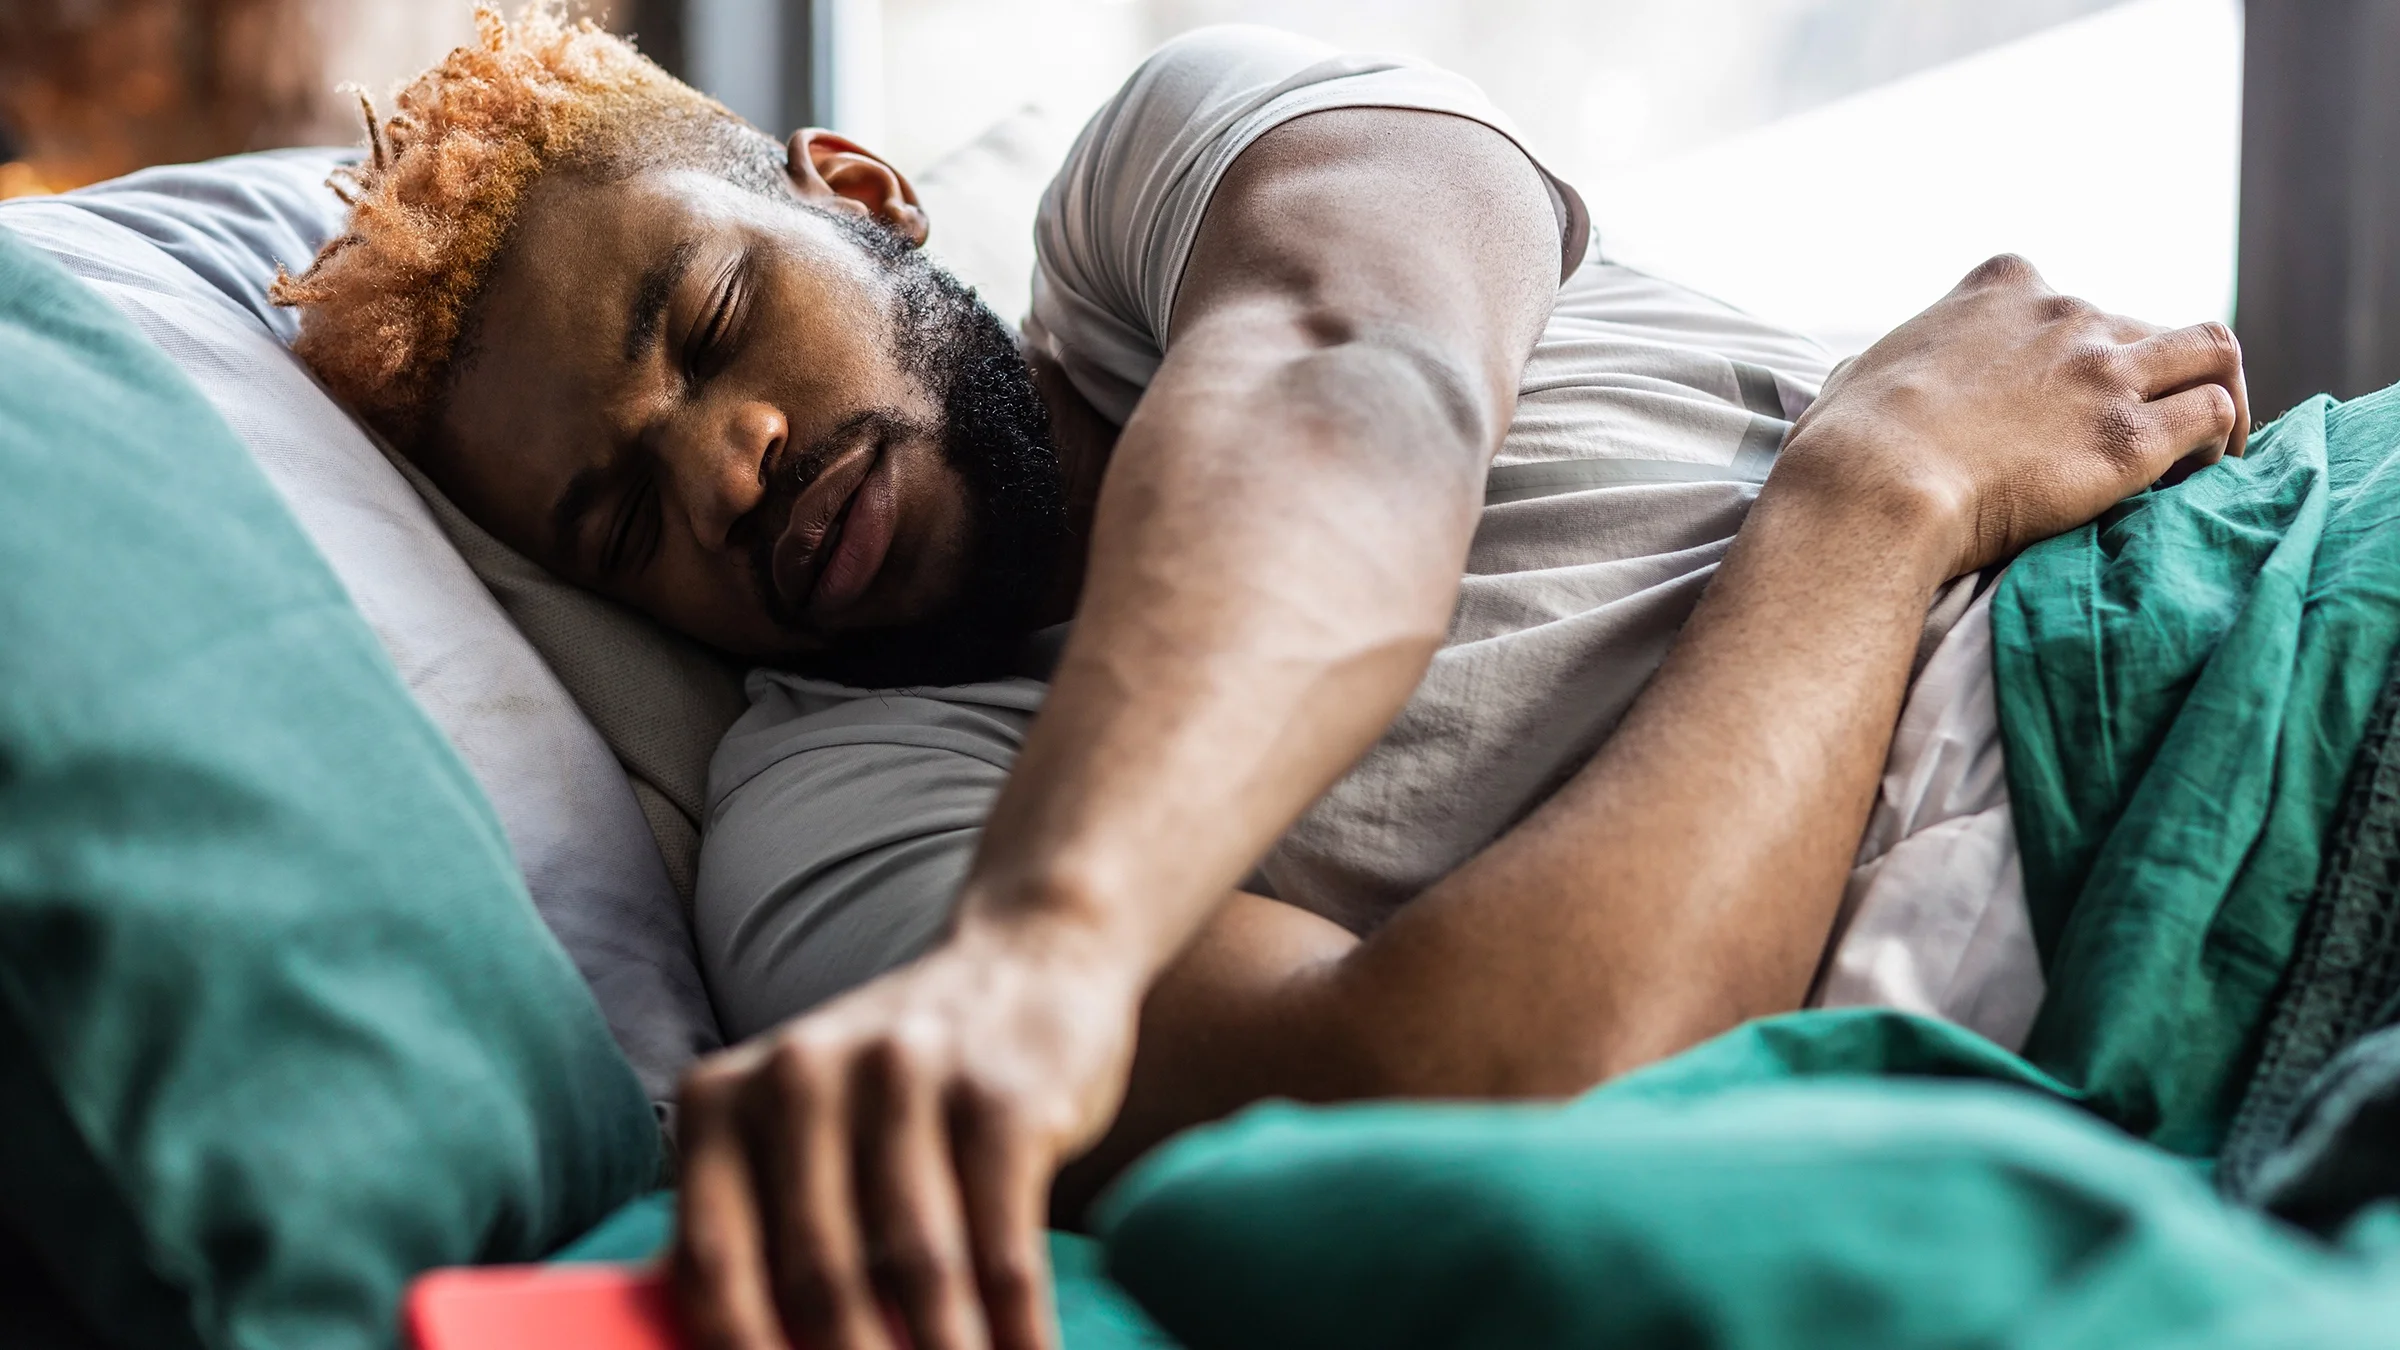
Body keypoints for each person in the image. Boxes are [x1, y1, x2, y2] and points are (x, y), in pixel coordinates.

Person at [274, 9, 2250, 1350]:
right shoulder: (839, 850)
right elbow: (1487, 1091)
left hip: (2261, 587)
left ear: (857, 189)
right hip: (2140, 892)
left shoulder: (1179, 156)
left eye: (714, 321)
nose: (727, 469)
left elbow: (1346, 384)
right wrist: (1871, 502)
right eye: (620, 523)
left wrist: (1055, 939)